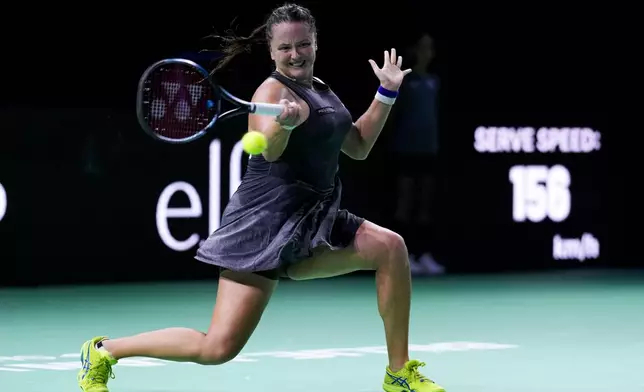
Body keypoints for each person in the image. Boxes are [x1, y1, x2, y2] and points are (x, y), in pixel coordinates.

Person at [77, 4, 445, 392]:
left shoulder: (321, 89)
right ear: (271, 51)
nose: (296, 54)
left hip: (316, 217)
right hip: (263, 228)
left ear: (316, 43)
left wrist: (386, 92)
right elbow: (267, 150)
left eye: (303, 44)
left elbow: (358, 145)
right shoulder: (270, 92)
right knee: (217, 348)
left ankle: (398, 373)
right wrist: (283, 126)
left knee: (391, 248)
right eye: (285, 47)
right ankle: (104, 350)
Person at [387, 31, 445, 275]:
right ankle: (405, 257)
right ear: (413, 51)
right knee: (405, 204)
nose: (427, 52)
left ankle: (424, 256)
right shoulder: (405, 82)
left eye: (430, 48)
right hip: (405, 150)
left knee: (424, 206)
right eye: (422, 47)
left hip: (428, 151)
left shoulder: (435, 81)